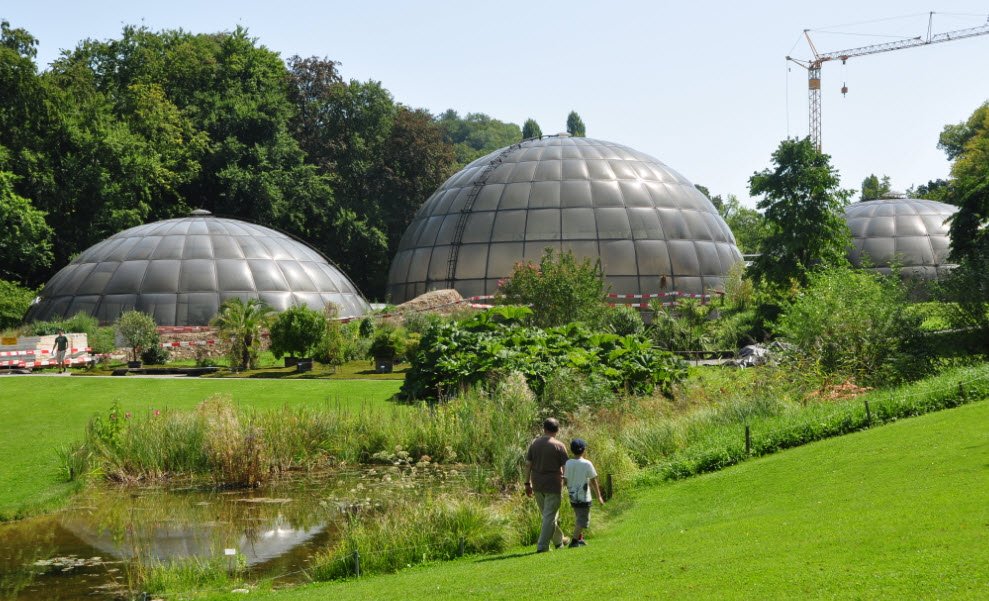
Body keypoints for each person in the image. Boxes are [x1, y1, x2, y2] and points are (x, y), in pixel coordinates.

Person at [524, 417, 570, 552]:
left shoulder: (534, 444)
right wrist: (566, 481)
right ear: (557, 430)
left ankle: (559, 542)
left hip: (537, 484)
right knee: (549, 516)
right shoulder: (559, 445)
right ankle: (542, 546)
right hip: (553, 485)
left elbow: (528, 465)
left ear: (544, 429)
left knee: (547, 516)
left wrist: (527, 483)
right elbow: (565, 466)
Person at [563, 438, 605, 547]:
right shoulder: (587, 464)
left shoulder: (568, 463)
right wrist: (599, 496)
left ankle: (579, 539)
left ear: (572, 450)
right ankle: (574, 541)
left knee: (579, 517)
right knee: (583, 520)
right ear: (584, 450)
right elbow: (593, 480)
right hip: (584, 497)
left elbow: (565, 480)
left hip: (573, 495)